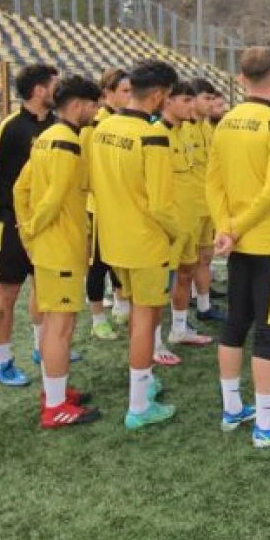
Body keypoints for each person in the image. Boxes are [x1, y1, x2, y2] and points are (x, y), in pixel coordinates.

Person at [207, 46, 270, 447]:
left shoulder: (225, 121)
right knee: (269, 332)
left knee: (236, 322)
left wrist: (226, 227)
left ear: (239, 79)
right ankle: (266, 425)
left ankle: (233, 407)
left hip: (237, 241)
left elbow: (212, 183)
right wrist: (235, 230)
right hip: (268, 243)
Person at [90, 59, 181, 431]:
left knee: (136, 318)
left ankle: (142, 383)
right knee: (147, 320)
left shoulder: (102, 126)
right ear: (159, 95)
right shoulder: (154, 136)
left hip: (113, 239)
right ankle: (139, 405)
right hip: (146, 243)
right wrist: (178, 231)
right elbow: (161, 205)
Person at [13, 75, 103, 428]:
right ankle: (54, 406)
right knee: (60, 326)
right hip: (61, 247)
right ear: (78, 105)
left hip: (49, 247)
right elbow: (53, 197)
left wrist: (27, 231)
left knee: (56, 321)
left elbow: (22, 188)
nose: (96, 112)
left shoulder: (45, 138)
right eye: (93, 105)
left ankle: (57, 392)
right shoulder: (66, 142)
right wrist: (34, 228)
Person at [0, 63, 61, 386]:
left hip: (45, 224)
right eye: (54, 85)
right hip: (12, 224)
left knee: (43, 286)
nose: (58, 90)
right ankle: (3, 361)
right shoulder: (9, 126)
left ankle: (42, 347)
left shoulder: (55, 125)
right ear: (39, 90)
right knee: (8, 290)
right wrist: (9, 209)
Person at [154, 81, 212, 366]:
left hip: (192, 217)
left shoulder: (188, 130)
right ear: (168, 101)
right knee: (162, 283)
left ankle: (179, 329)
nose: (193, 106)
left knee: (187, 273)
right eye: (186, 101)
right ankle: (153, 341)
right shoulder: (156, 135)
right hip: (170, 224)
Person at [82, 68, 131, 339]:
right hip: (100, 205)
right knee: (98, 261)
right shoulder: (96, 124)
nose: (129, 95)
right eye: (124, 91)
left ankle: (122, 304)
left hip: (120, 203)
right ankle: (97, 317)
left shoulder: (125, 120)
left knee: (119, 256)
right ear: (107, 93)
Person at [186, 78, 228, 323]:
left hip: (208, 206)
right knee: (183, 268)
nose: (212, 103)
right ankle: (179, 318)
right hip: (188, 209)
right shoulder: (182, 129)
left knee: (204, 258)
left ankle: (203, 306)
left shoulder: (209, 129)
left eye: (213, 98)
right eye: (207, 98)